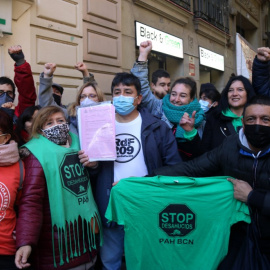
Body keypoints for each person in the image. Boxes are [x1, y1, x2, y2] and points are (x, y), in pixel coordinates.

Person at [79, 72, 181, 270]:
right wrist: (92, 166)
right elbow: (93, 171)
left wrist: (141, 184)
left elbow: (174, 168)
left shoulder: (158, 128)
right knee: (110, 260)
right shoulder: (99, 126)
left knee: (145, 259)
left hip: (145, 205)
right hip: (111, 204)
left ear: (139, 98)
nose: (121, 97)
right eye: (117, 92)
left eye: (127, 92)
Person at [153, 95, 270, 266]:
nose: (257, 124)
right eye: (251, 119)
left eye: (265, 119)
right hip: (238, 238)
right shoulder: (231, 146)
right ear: (243, 123)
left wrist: (252, 197)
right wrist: (147, 178)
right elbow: (193, 168)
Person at [15, 106, 101, 270]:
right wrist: (26, 241)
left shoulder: (80, 144)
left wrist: (94, 165)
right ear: (40, 129)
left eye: (60, 121)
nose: (56, 125)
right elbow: (31, 202)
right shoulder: (35, 154)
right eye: (49, 123)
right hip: (59, 247)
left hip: (86, 242)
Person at [131, 40, 205, 160]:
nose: (176, 99)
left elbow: (203, 154)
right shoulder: (158, 106)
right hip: (162, 169)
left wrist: (190, 131)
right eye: (174, 94)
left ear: (192, 98)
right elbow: (141, 87)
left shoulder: (199, 117)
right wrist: (143, 55)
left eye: (183, 95)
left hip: (190, 172)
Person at [201, 75, 255, 152]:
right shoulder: (214, 117)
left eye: (240, 89)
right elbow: (205, 151)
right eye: (230, 90)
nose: (234, 94)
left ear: (248, 93)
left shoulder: (257, 118)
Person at [0, 110, 24, 270]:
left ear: (6, 137)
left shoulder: (20, 167)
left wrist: (25, 240)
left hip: (7, 252)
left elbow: (27, 208)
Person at [0, 45, 36, 121]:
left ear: (14, 96)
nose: (5, 96)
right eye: (0, 92)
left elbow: (27, 95)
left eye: (9, 93)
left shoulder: (19, 112)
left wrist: (20, 62)